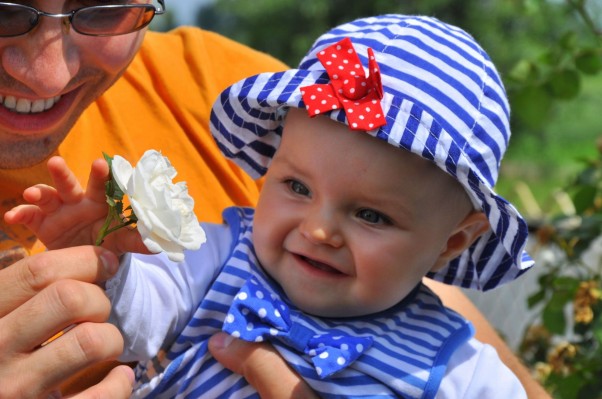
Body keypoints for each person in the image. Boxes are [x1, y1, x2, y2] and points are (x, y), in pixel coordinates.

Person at [0, 1, 549, 397]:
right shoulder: (228, 258)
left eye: (371, 215)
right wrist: (104, 270)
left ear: (451, 243)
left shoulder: (455, 364)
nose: (318, 230)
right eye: (296, 188)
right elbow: (149, 306)